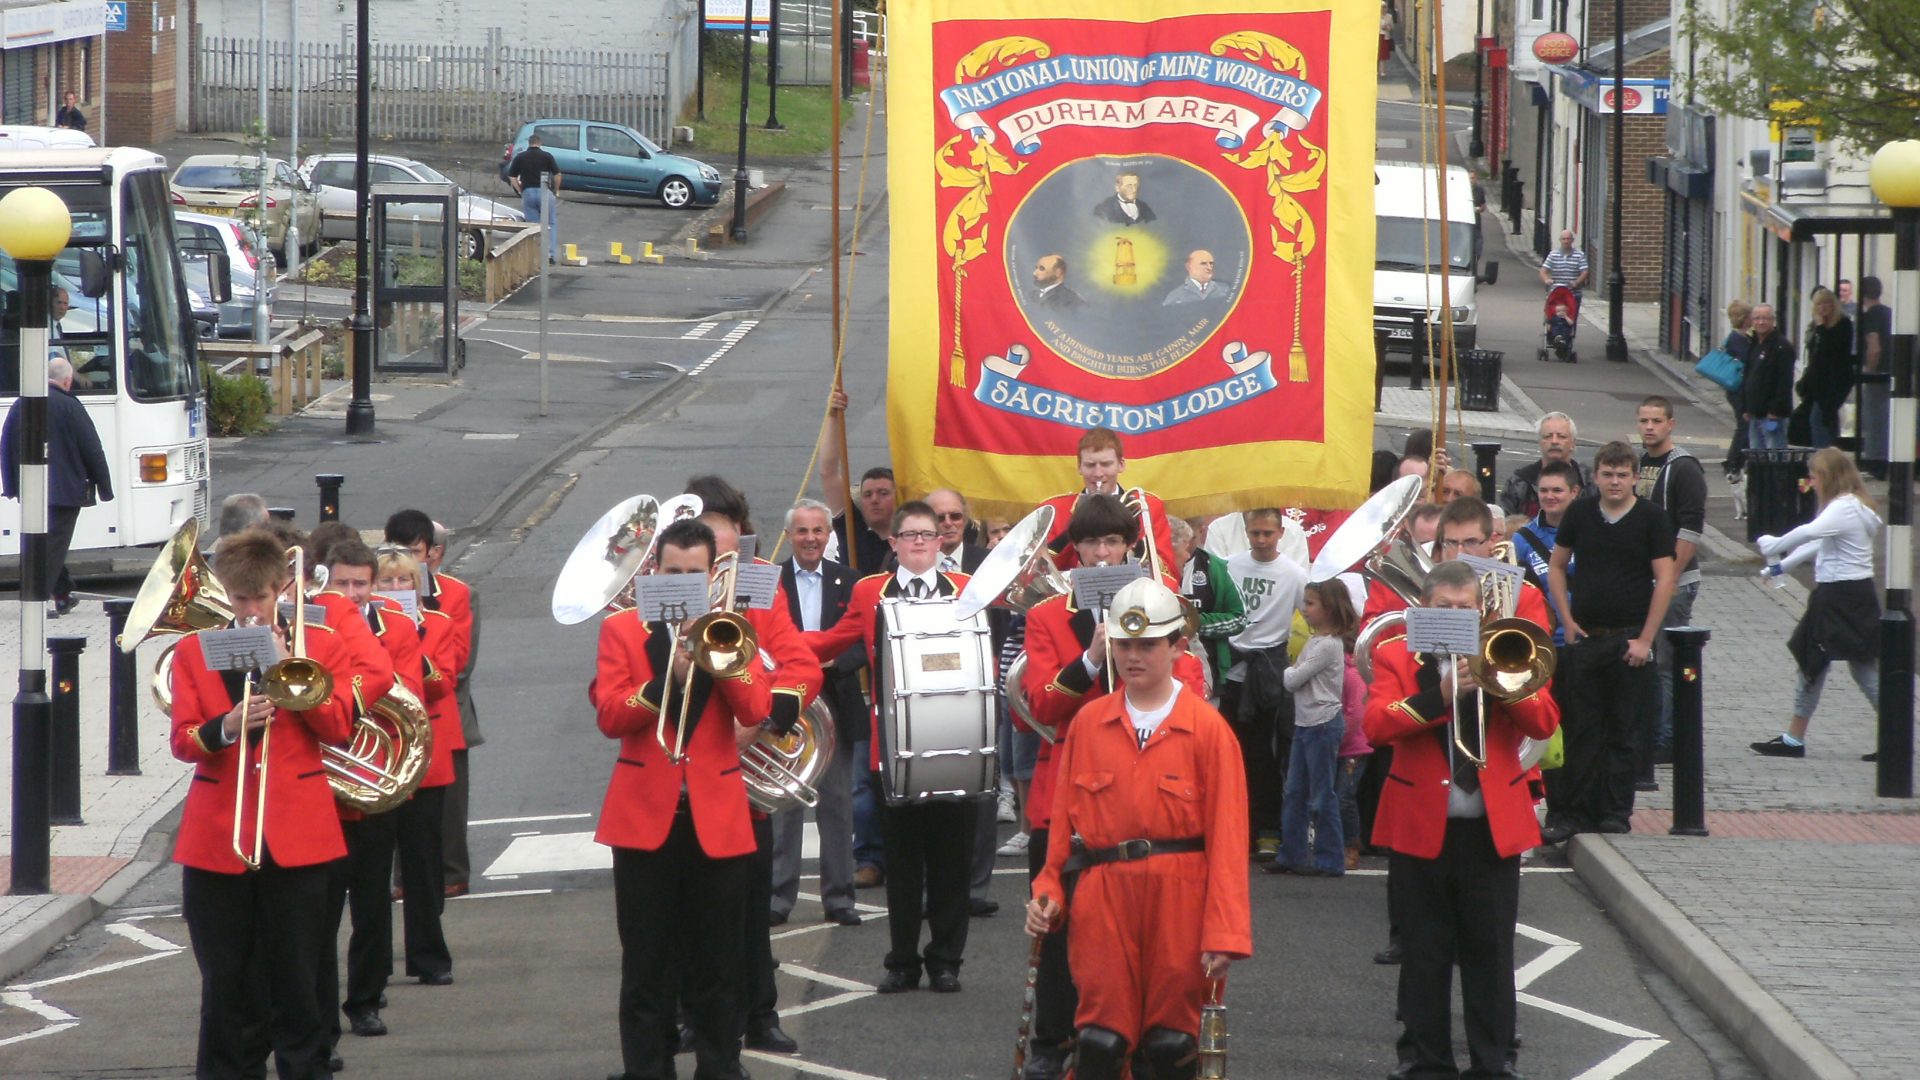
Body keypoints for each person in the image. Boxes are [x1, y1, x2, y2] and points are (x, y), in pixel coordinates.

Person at [1025, 578, 1251, 1080]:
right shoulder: (1088, 723)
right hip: (1104, 897)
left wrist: (1225, 932)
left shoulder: (1210, 731)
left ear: (1177, 646)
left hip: (1182, 897)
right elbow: (1062, 826)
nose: (1133, 656)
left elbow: (1230, 841)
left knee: (1169, 1048)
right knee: (1100, 1043)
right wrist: (1048, 890)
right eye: (1124, 645)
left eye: (1148, 644)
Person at [1017, 496, 1209, 1078]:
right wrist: (1090, 656)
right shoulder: (1048, 614)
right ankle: (1054, 1043)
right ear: (1075, 552)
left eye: (1112, 543)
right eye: (1091, 545)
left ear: (1130, 546)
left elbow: (1192, 688)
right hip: (1067, 792)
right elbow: (1042, 703)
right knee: (1055, 931)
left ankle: (1135, 1044)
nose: (1102, 554)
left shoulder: (1159, 608)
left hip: (1145, 799)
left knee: (1148, 948)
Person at [591, 518, 786, 1080]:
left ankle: (720, 1069)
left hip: (716, 818)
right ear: (653, 572)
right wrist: (664, 680)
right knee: (647, 966)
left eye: (692, 576)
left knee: (719, 965)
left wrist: (716, 655)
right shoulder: (622, 630)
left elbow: (755, 710)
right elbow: (610, 716)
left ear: (710, 578)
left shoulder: (733, 628)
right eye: (671, 573)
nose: (680, 583)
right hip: (643, 819)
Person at [169, 528, 358, 1080]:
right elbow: (184, 741)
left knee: (299, 980)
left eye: (260, 597)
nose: (250, 609)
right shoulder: (192, 648)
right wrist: (224, 727)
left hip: (297, 837)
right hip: (218, 839)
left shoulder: (319, 646)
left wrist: (283, 667)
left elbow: (339, 727)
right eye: (240, 597)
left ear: (281, 588)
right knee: (226, 984)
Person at [1365, 559, 1560, 1080]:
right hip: (1420, 826)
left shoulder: (1506, 650)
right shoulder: (1394, 655)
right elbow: (1376, 725)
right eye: (1443, 608)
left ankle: (1494, 1062)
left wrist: (1499, 682)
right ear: (1424, 609)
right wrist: (1440, 696)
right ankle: (1424, 1060)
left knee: (1490, 953)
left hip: (1491, 831)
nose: (1454, 615)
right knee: (1424, 953)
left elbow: (1544, 721)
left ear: (1481, 610)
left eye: (1463, 608)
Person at [802, 502, 978, 993]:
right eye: (909, 534)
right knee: (902, 863)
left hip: (955, 741)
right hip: (894, 745)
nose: (920, 541)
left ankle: (946, 960)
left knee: (950, 861)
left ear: (940, 541)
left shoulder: (966, 591)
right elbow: (835, 641)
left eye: (928, 533)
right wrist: (778, 643)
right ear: (894, 543)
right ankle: (902, 961)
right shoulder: (868, 591)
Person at [1546, 441, 1677, 840]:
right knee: (1580, 729)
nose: (1615, 481)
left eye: (1622, 475)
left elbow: (1666, 579)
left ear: (1635, 478)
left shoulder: (1652, 519)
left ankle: (1615, 812)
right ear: (1596, 477)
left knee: (1623, 731)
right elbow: (1556, 564)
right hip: (1586, 637)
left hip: (1628, 640)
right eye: (1607, 474)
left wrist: (1646, 638)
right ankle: (1572, 812)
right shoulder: (1581, 513)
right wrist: (1566, 619)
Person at [316, 541, 416, 1052]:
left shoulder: (397, 627)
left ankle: (365, 1002)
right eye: (342, 584)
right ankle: (318, 1023)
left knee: (373, 904)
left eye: (361, 584)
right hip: (326, 794)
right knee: (321, 912)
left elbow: (408, 692)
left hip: (375, 781)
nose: (352, 594)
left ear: (374, 586)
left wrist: (348, 693)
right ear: (324, 583)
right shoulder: (309, 627)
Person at [1751, 448, 1883, 760]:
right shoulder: (1852, 506)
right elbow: (1817, 544)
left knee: (1842, 666)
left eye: (1815, 475)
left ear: (1830, 476)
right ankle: (1794, 738)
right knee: (1824, 663)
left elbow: (1807, 533)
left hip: (1841, 596)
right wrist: (1780, 566)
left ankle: (1895, 732)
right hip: (1849, 595)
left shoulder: (1844, 508)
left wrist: (1775, 545)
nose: (1811, 481)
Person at [770, 500, 866, 927]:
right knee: (785, 804)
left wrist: (832, 664)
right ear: (789, 536)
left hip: (837, 700)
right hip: (786, 704)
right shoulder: (768, 583)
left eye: (819, 531)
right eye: (803, 531)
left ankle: (840, 897)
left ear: (830, 536)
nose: (811, 538)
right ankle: (777, 896)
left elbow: (866, 639)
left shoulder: (852, 582)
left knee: (838, 804)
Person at [383, 512, 480, 899]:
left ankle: (452, 873)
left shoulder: (455, 595)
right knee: (399, 801)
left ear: (432, 554)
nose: (405, 561)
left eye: (414, 553)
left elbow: (458, 666)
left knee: (447, 809)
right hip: (392, 713)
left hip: (442, 711)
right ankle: (404, 878)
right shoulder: (378, 601)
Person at [1221, 508, 1306, 861]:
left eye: (1267, 534)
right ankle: (1233, 827)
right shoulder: (1230, 567)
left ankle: (1268, 828)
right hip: (1233, 668)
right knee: (1229, 753)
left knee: (1265, 754)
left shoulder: (1294, 574)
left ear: (1280, 533)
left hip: (1269, 671)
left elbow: (1310, 615)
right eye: (1255, 533)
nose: (1260, 540)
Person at [1, 356, 112, 616]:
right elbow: (92, 448)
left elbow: (6, 445)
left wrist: (12, 486)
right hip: (66, 491)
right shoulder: (70, 405)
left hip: (31, 489)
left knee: (43, 542)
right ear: (67, 380)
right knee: (53, 545)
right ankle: (36, 599)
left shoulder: (22, 403)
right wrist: (105, 488)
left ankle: (62, 593)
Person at [1637, 396, 1707, 764]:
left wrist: (1670, 578)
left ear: (1671, 424)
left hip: (1675, 582)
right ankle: (1653, 729)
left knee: (1665, 659)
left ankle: (1667, 739)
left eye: (1656, 420)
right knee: (1648, 658)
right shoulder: (1638, 463)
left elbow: (1691, 528)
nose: (1649, 427)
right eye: (1644, 420)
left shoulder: (1683, 468)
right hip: (1645, 580)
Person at [1273, 580, 1359, 877]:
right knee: (1295, 791)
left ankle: (1329, 859)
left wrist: (1288, 668)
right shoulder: (1316, 642)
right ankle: (1292, 854)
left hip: (1322, 723)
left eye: (1310, 604)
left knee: (1322, 795)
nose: (1305, 609)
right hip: (1307, 722)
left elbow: (1292, 680)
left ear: (1329, 608)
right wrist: (1295, 669)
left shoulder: (1327, 645)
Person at [1037, 427, 1176, 572]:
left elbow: (1168, 571)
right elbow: (1041, 572)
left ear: (1120, 465)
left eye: (1106, 464)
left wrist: (1132, 536)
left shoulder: (1149, 505)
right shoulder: (1053, 509)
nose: (1098, 473)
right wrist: (1076, 527)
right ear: (1079, 467)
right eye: (1090, 465)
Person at [1170, 515, 1247, 692]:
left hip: (1209, 673)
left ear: (1201, 532)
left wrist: (1195, 623)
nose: (1187, 549)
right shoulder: (1153, 570)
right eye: (1181, 541)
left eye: (1191, 539)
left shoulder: (1215, 567)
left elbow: (1240, 618)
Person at [815, 406, 895, 574]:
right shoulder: (851, 529)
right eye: (867, 494)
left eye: (883, 493)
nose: (874, 500)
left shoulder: (914, 537)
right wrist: (833, 416)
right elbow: (828, 472)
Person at [1510, 460, 1579, 643]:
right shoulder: (1521, 539)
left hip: (1584, 638)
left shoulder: (1591, 533)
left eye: (1557, 490)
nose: (1549, 496)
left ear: (1574, 492)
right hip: (1542, 639)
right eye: (1543, 490)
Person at [1498, 412, 1589, 518]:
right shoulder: (1519, 482)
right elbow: (1505, 523)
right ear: (1539, 442)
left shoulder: (1589, 481)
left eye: (1562, 436)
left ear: (1573, 443)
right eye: (1548, 436)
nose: (1554, 441)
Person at [1799, 287, 1856, 449]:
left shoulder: (1843, 324)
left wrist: (1821, 328)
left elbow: (1832, 349)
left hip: (1835, 381)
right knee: (1827, 419)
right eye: (1818, 305)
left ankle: (1823, 458)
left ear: (1833, 305)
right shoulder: (1816, 326)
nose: (1822, 308)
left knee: (1818, 418)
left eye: (1826, 303)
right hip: (1818, 381)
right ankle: (1831, 455)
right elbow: (1813, 354)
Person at [1335, 640, 1371, 872]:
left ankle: (1351, 846)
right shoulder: (1346, 671)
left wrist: (1340, 740)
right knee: (1339, 796)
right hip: (1346, 745)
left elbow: (1356, 712)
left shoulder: (1352, 674)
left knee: (1344, 797)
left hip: (1354, 747)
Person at [1743, 304, 1796, 451]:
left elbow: (1785, 382)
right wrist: (1746, 407)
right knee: (1757, 457)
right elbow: (1748, 376)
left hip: (1772, 416)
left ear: (1773, 320)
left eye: (1765, 318)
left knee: (1774, 456)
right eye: (1757, 318)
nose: (1761, 322)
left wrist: (1775, 410)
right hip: (1754, 413)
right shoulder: (1754, 344)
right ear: (1752, 321)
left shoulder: (1782, 347)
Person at [506, 133, 563, 264]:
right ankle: (549, 255)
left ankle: (536, 255)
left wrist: (521, 190)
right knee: (550, 223)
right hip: (545, 192)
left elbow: (512, 176)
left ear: (529, 143)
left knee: (533, 226)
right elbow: (558, 174)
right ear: (540, 143)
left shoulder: (521, 157)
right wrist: (556, 190)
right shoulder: (547, 156)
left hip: (528, 192)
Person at [1718, 300, 1757, 479]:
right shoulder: (1737, 340)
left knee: (1745, 426)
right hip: (1738, 390)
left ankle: (1737, 460)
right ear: (1745, 318)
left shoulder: (1743, 338)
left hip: (1739, 390)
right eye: (1751, 316)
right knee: (1744, 426)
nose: (1753, 319)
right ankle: (1733, 462)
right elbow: (1747, 362)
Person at [1162, 250, 1231, 306]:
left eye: (1211, 263)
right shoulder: (1175, 297)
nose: (1209, 268)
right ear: (1189, 267)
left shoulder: (1225, 290)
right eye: (1203, 263)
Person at [1539, 229, 1590, 300]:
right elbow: (1543, 270)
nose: (1566, 241)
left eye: (1568, 239)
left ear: (1572, 240)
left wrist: (1577, 282)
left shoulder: (1579, 255)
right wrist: (1546, 280)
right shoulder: (1553, 255)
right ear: (1560, 240)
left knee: (1572, 310)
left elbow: (1585, 271)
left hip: (1573, 293)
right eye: (1564, 239)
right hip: (1556, 292)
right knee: (1554, 310)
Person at [1091, 172, 1156, 226]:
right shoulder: (1103, 209)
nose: (1134, 190)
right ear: (1117, 188)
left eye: (1135, 185)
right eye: (1129, 186)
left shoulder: (1144, 207)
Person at [1857, 276, 1890, 376]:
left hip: (1878, 374)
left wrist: (1869, 373)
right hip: (1892, 371)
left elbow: (1874, 349)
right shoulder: (1890, 313)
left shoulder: (1870, 316)